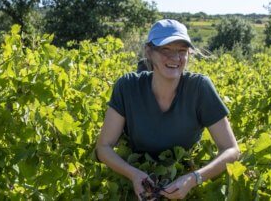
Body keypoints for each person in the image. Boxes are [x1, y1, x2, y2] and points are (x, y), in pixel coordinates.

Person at [96, 19, 240, 200]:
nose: (175, 58)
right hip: (136, 184)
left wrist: (193, 178)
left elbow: (231, 149)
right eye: (166, 49)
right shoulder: (128, 87)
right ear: (149, 52)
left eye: (181, 51)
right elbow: (103, 147)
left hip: (187, 182)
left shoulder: (199, 88)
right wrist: (133, 174)